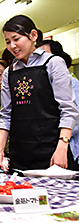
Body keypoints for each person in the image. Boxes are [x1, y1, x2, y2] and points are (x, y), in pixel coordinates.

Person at [0, 15, 79, 173]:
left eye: (16, 39)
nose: (12, 46)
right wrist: (0, 149)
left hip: (52, 150)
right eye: (7, 42)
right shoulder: (9, 72)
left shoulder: (53, 63)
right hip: (20, 153)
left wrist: (62, 146)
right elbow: (6, 115)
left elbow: (68, 109)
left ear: (33, 35)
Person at [39, 39, 79, 169]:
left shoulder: (73, 83)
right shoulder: (38, 82)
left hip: (66, 147)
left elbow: (74, 117)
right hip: (43, 147)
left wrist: (61, 138)